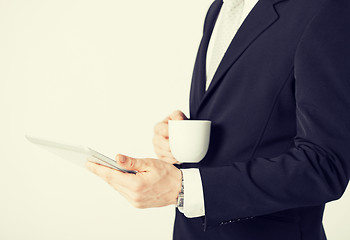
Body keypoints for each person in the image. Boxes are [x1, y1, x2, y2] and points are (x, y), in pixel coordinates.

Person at [86, 0, 350, 239]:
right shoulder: (219, 9)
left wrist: (182, 188)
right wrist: (174, 139)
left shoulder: (325, 8)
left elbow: (326, 166)